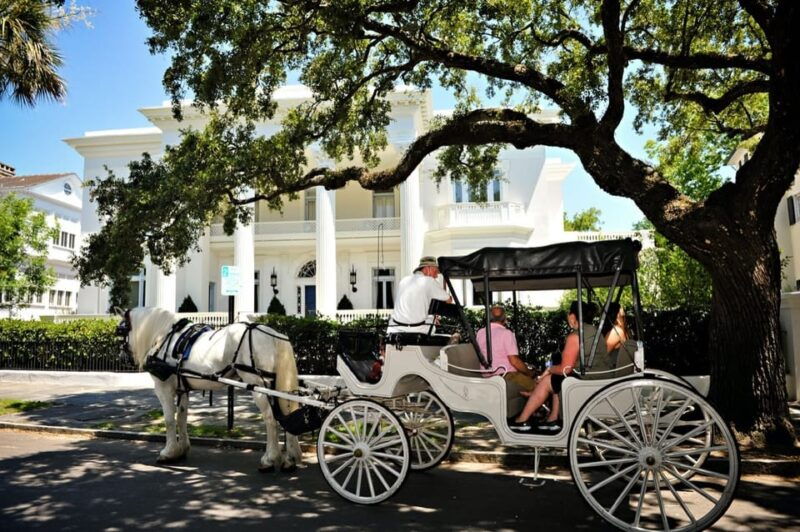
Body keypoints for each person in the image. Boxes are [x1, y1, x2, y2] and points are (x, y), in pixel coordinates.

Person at [509, 301, 597, 432]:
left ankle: (522, 419)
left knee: (548, 380)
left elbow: (565, 369)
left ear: (572, 316)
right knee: (555, 380)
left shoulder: (575, 336)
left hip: (588, 379)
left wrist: (549, 370)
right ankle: (553, 418)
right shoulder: (594, 331)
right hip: (596, 375)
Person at [387, 256, 452, 336]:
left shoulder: (404, 280)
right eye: (435, 272)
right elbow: (448, 299)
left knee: (429, 318)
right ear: (428, 268)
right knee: (432, 320)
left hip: (394, 328)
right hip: (417, 329)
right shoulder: (429, 281)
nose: (436, 276)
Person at [476, 306, 537, 391]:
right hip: (506, 375)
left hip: (486, 375)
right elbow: (514, 361)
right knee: (540, 387)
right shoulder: (506, 333)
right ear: (505, 319)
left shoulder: (480, 333)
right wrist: (528, 373)